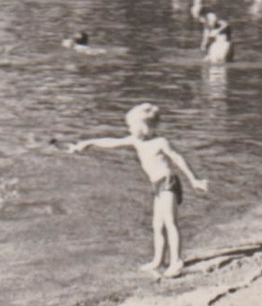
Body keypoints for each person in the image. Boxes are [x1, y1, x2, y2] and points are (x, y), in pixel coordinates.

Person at [69, 103, 209, 278]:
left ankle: (176, 261)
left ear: (144, 127)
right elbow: (112, 142)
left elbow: (178, 159)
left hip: (168, 182)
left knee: (170, 222)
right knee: (157, 225)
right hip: (157, 184)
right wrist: (89, 143)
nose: (128, 129)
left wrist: (194, 179)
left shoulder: (160, 142)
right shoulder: (136, 140)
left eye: (131, 126)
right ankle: (158, 260)